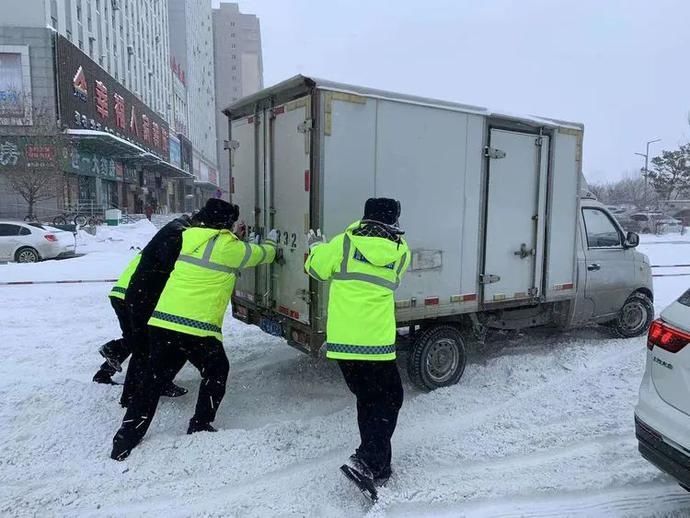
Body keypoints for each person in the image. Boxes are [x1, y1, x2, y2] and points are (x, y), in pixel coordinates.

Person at [111, 199, 279, 460]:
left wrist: (234, 237)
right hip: (197, 327)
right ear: (225, 224)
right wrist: (270, 243)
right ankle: (200, 424)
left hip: (164, 322)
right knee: (216, 371)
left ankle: (125, 439)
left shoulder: (186, 238)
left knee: (152, 380)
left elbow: (211, 247)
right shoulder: (229, 247)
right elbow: (259, 255)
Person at [305, 198, 410, 486]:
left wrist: (316, 248)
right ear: (394, 222)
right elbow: (394, 279)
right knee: (389, 399)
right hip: (376, 342)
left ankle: (379, 467)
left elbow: (315, 269)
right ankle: (366, 460)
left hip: (343, 343)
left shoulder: (343, 243)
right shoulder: (402, 252)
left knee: (369, 400)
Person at [120, 213, 194, 406]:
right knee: (145, 349)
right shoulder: (175, 234)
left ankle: (155, 385)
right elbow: (172, 262)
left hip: (145, 297)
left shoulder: (175, 229)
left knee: (155, 347)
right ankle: (131, 396)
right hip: (144, 298)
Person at [93, 254, 187, 398]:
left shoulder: (157, 246)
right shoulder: (178, 249)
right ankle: (158, 383)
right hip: (137, 297)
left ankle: (104, 372)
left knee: (136, 339)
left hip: (121, 294)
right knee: (148, 342)